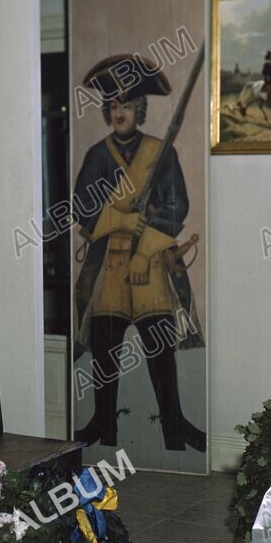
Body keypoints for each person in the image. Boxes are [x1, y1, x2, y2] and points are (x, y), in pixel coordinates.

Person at [73, 54, 205, 452]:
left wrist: (144, 247)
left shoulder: (160, 152)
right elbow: (82, 207)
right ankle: (103, 424)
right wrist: (120, 219)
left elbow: (177, 206)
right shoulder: (97, 156)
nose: (119, 113)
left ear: (140, 110)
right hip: (108, 266)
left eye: (127, 106)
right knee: (105, 348)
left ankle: (173, 427)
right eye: (113, 106)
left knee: (160, 348)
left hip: (151, 262)